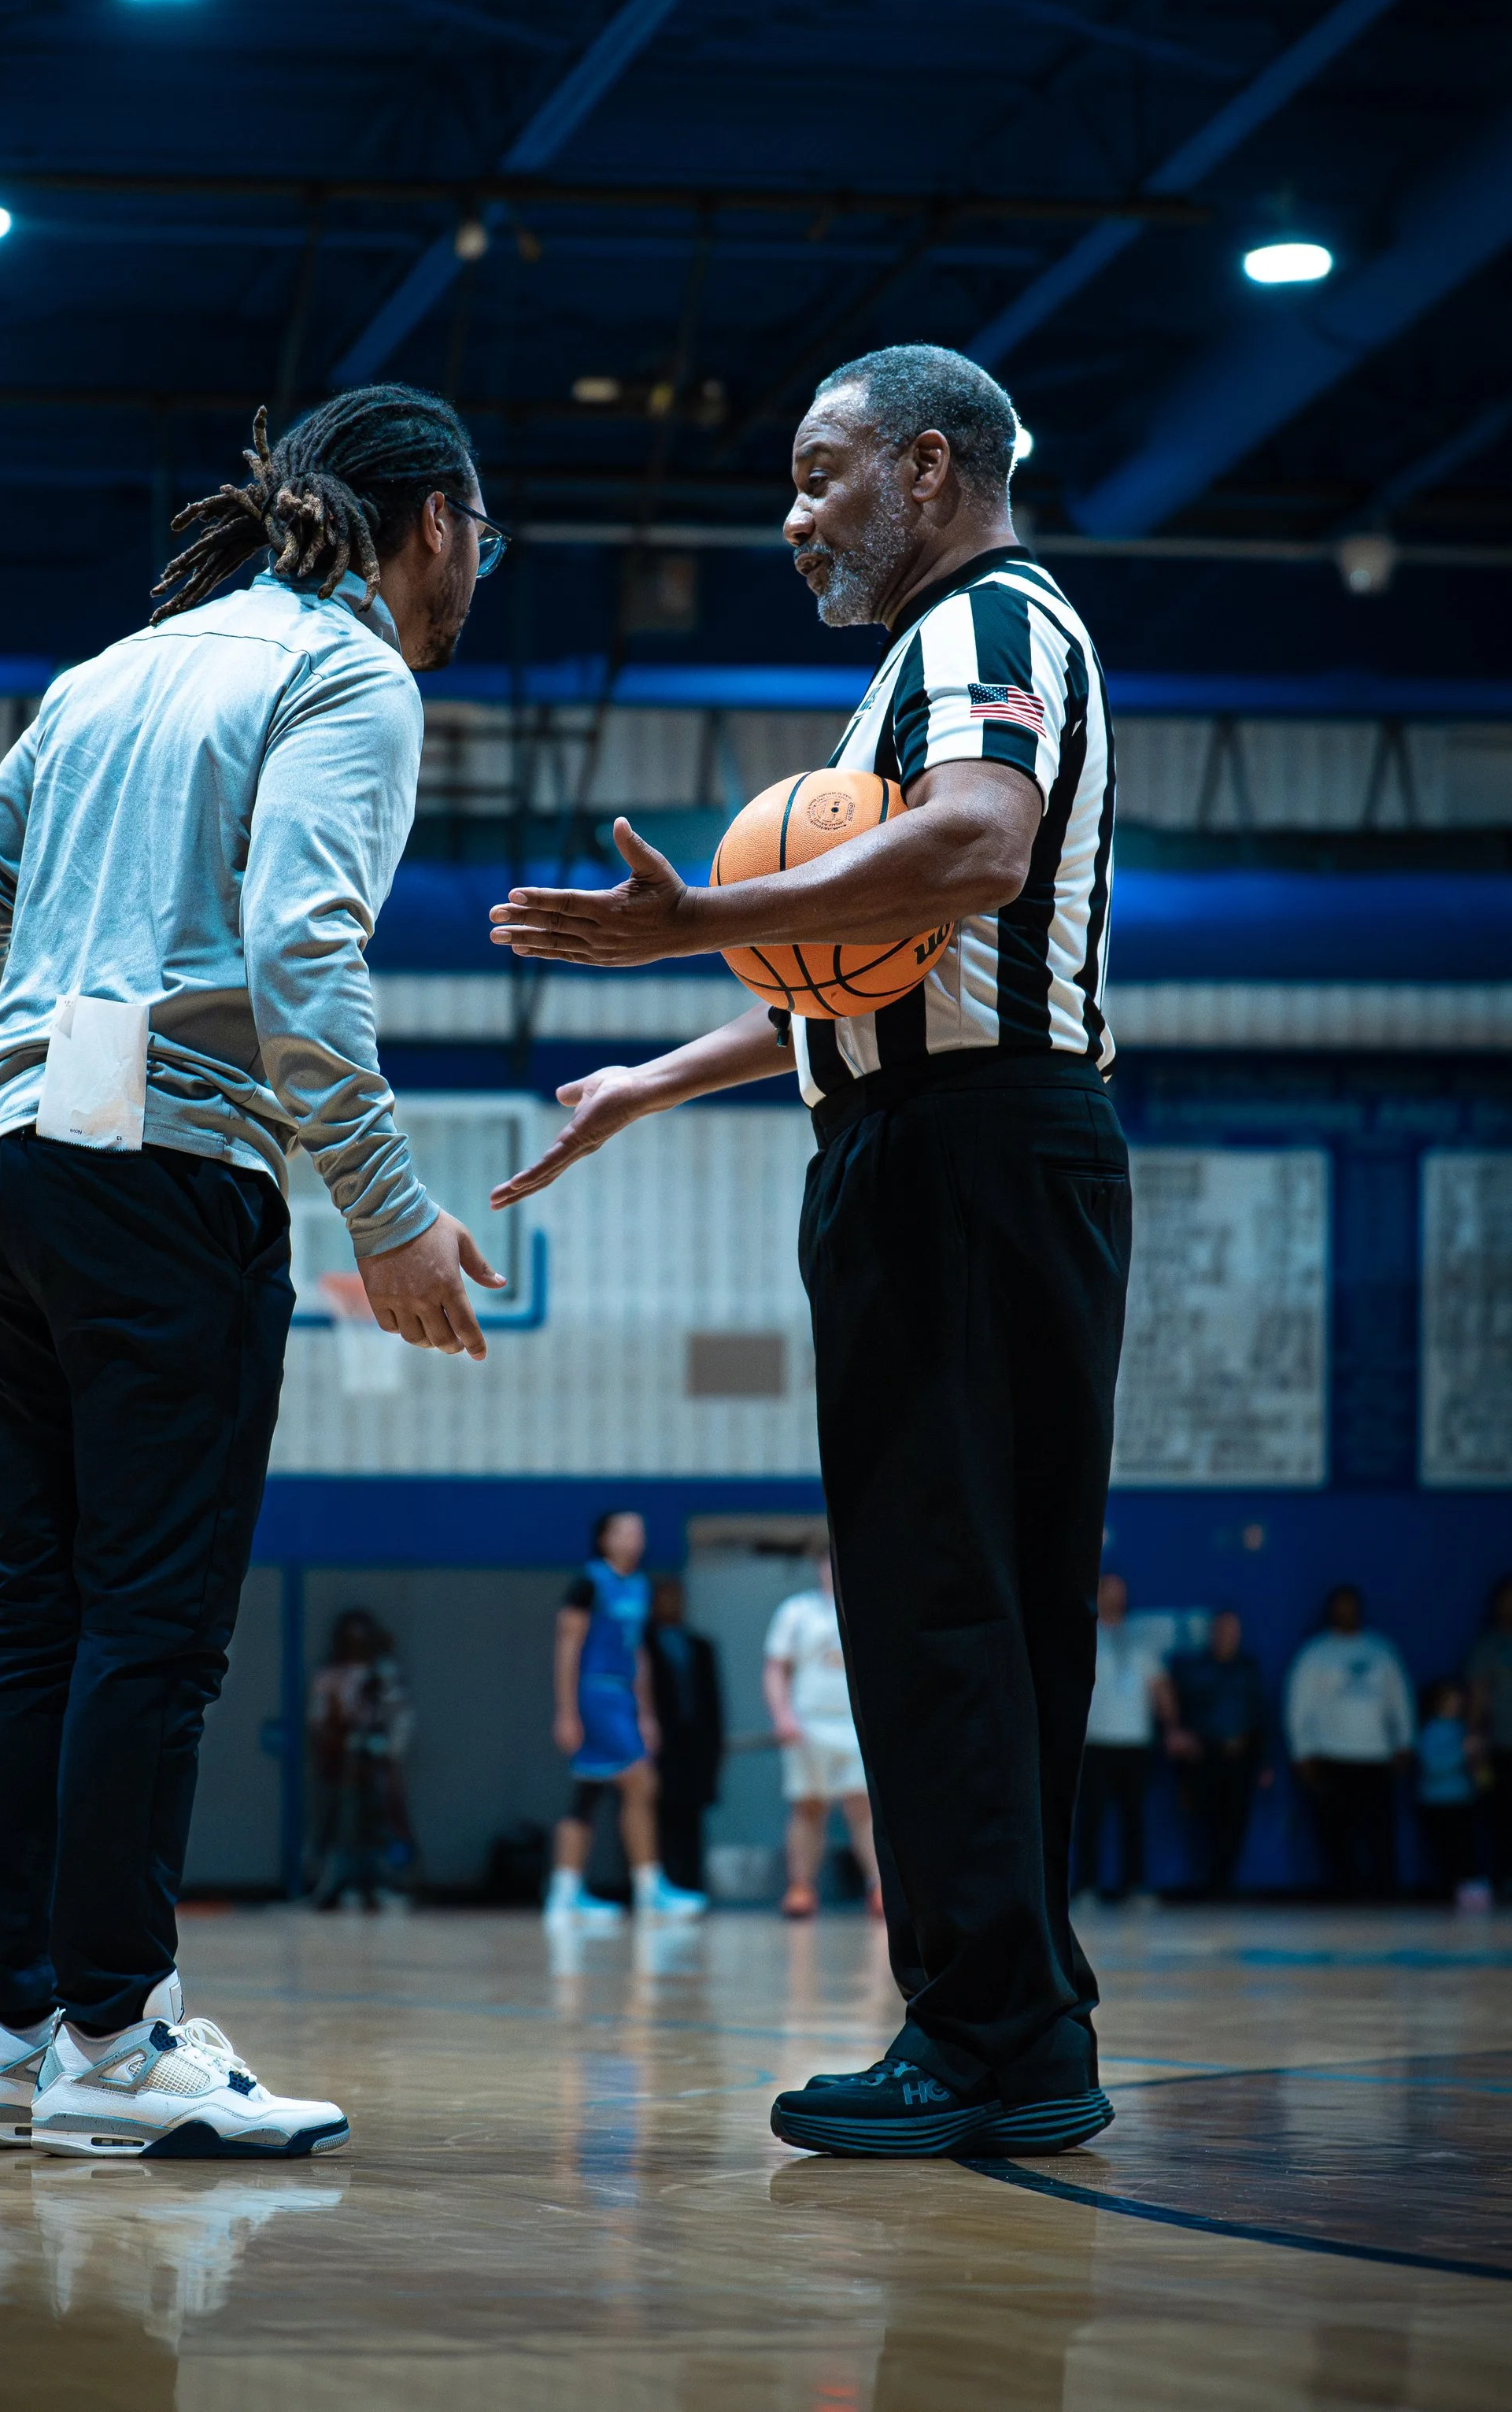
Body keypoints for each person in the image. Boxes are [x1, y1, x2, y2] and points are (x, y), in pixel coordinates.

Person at [493, 343, 1126, 2156]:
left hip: (963, 1161)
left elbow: (978, 854)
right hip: (975, 1145)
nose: (791, 514)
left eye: (820, 473)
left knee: (936, 1597)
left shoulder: (976, 630)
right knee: (978, 1605)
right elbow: (875, 985)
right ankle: (1016, 2026)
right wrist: (661, 1075)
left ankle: (985, 2029)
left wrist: (695, 925)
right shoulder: (939, 665)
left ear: (928, 469)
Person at [0, 386, 507, 2158]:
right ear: (431, 523)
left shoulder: (110, 667)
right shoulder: (352, 674)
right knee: (152, 1621)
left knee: (37, 1594)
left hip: (0, 1164)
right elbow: (299, 944)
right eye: (483, 531)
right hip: (164, 1167)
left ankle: (0, 2033)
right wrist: (386, 1207)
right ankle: (115, 2029)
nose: (480, 563)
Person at [545, 1512, 706, 1922]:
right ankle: (650, 1886)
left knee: (588, 1791)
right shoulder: (589, 1583)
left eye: (641, 1530)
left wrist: (647, 1714)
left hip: (623, 1695)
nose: (636, 1537)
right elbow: (568, 1648)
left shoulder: (639, 1586)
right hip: (594, 1692)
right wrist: (566, 1711)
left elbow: (638, 1653)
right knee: (641, 1779)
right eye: (626, 1530)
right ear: (604, 1538)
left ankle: (565, 1893)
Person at [763, 1555, 881, 1920]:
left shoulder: (872, 1609)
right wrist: (782, 1715)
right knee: (809, 1805)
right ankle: (801, 1887)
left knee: (862, 1806)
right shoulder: (797, 1612)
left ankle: (879, 1888)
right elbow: (776, 1668)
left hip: (855, 1723)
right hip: (808, 1723)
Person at [1285, 1585, 1414, 1899]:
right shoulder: (1316, 1653)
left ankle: (1384, 1894)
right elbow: (1298, 1705)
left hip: (1375, 1755)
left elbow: (1400, 1700)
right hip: (1332, 1754)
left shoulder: (1380, 1651)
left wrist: (1405, 1741)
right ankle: (1344, 1896)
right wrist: (1302, 1751)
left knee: (1380, 1832)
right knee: (1336, 1834)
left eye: (1351, 1605)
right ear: (1331, 1610)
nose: (1346, 1611)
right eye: (1340, 1606)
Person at [1070, 1575, 1177, 1904]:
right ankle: (1086, 1887)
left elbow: (1160, 1688)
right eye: (1108, 1591)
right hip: (1096, 1742)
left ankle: (1135, 1886)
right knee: (1092, 1818)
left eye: (1120, 1592)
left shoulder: (1141, 1642)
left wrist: (1173, 1726)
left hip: (1135, 1742)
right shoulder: (1084, 1638)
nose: (1115, 1598)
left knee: (1134, 1818)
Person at [307, 1608, 415, 1911]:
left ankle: (384, 1883)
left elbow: (400, 1718)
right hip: (340, 1766)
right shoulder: (329, 1676)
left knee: (383, 1826)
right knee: (341, 1828)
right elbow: (317, 1722)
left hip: (377, 1764)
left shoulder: (383, 1674)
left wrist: (390, 1755)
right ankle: (337, 1884)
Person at [1168, 1609, 1272, 1898]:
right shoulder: (1196, 1670)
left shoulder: (1247, 1669)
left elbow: (1259, 1714)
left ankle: (1225, 1884)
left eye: (1233, 1631)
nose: (1228, 1636)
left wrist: (1263, 1761)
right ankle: (1206, 1884)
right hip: (1205, 1757)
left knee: (1236, 1820)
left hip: (1240, 1756)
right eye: (1223, 1630)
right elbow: (1184, 1712)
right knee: (1205, 1821)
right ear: (1213, 1633)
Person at [645, 1575, 725, 1896]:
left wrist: (714, 1749)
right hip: (659, 1743)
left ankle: (690, 1885)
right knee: (656, 1815)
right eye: (665, 1598)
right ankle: (657, 1884)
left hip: (695, 1746)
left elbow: (714, 1703)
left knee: (691, 1819)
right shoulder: (642, 1644)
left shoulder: (700, 1646)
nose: (672, 1605)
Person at [1414, 1681, 1483, 1907]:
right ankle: (1448, 1894)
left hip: (1462, 1799)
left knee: (1465, 1848)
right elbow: (1434, 1767)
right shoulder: (1431, 1730)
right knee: (1446, 1850)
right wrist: (1462, 1753)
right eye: (1450, 1699)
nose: (1457, 1703)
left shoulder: (1463, 1728)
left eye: (1458, 1698)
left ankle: (1469, 1894)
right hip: (1438, 1802)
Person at [1466, 1574, 1512, 1892]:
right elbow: (1478, 1697)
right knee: (1502, 1814)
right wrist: (1475, 1742)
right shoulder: (1489, 1646)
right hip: (1502, 1744)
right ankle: (1506, 1877)